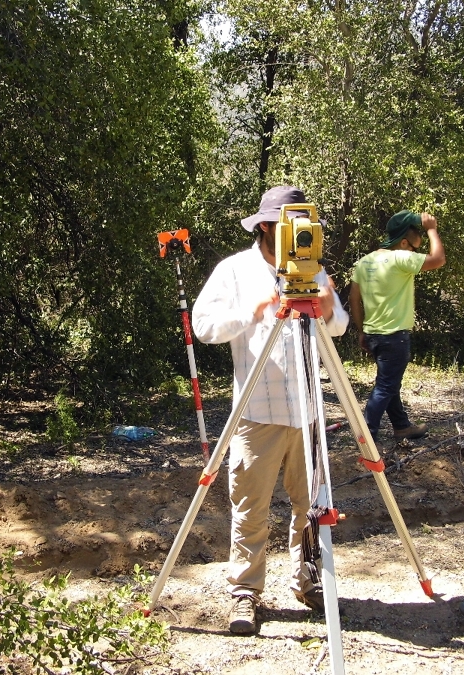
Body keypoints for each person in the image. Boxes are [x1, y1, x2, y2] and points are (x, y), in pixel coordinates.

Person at [192, 185, 349, 635]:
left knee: (311, 504)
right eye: (286, 227)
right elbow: (203, 327)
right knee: (250, 507)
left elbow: (337, 326)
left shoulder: (312, 267)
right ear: (265, 227)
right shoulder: (235, 271)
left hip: (308, 410)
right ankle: (245, 593)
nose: (296, 235)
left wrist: (324, 303)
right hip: (256, 410)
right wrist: (254, 310)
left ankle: (309, 580)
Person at [348, 210, 446, 445]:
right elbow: (439, 259)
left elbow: (354, 300)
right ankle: (367, 436)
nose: (413, 253)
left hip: (373, 334)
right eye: (412, 248)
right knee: (385, 386)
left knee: (389, 382)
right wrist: (432, 229)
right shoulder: (400, 258)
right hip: (394, 337)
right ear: (403, 242)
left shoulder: (364, 261)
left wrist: (362, 331)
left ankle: (402, 427)